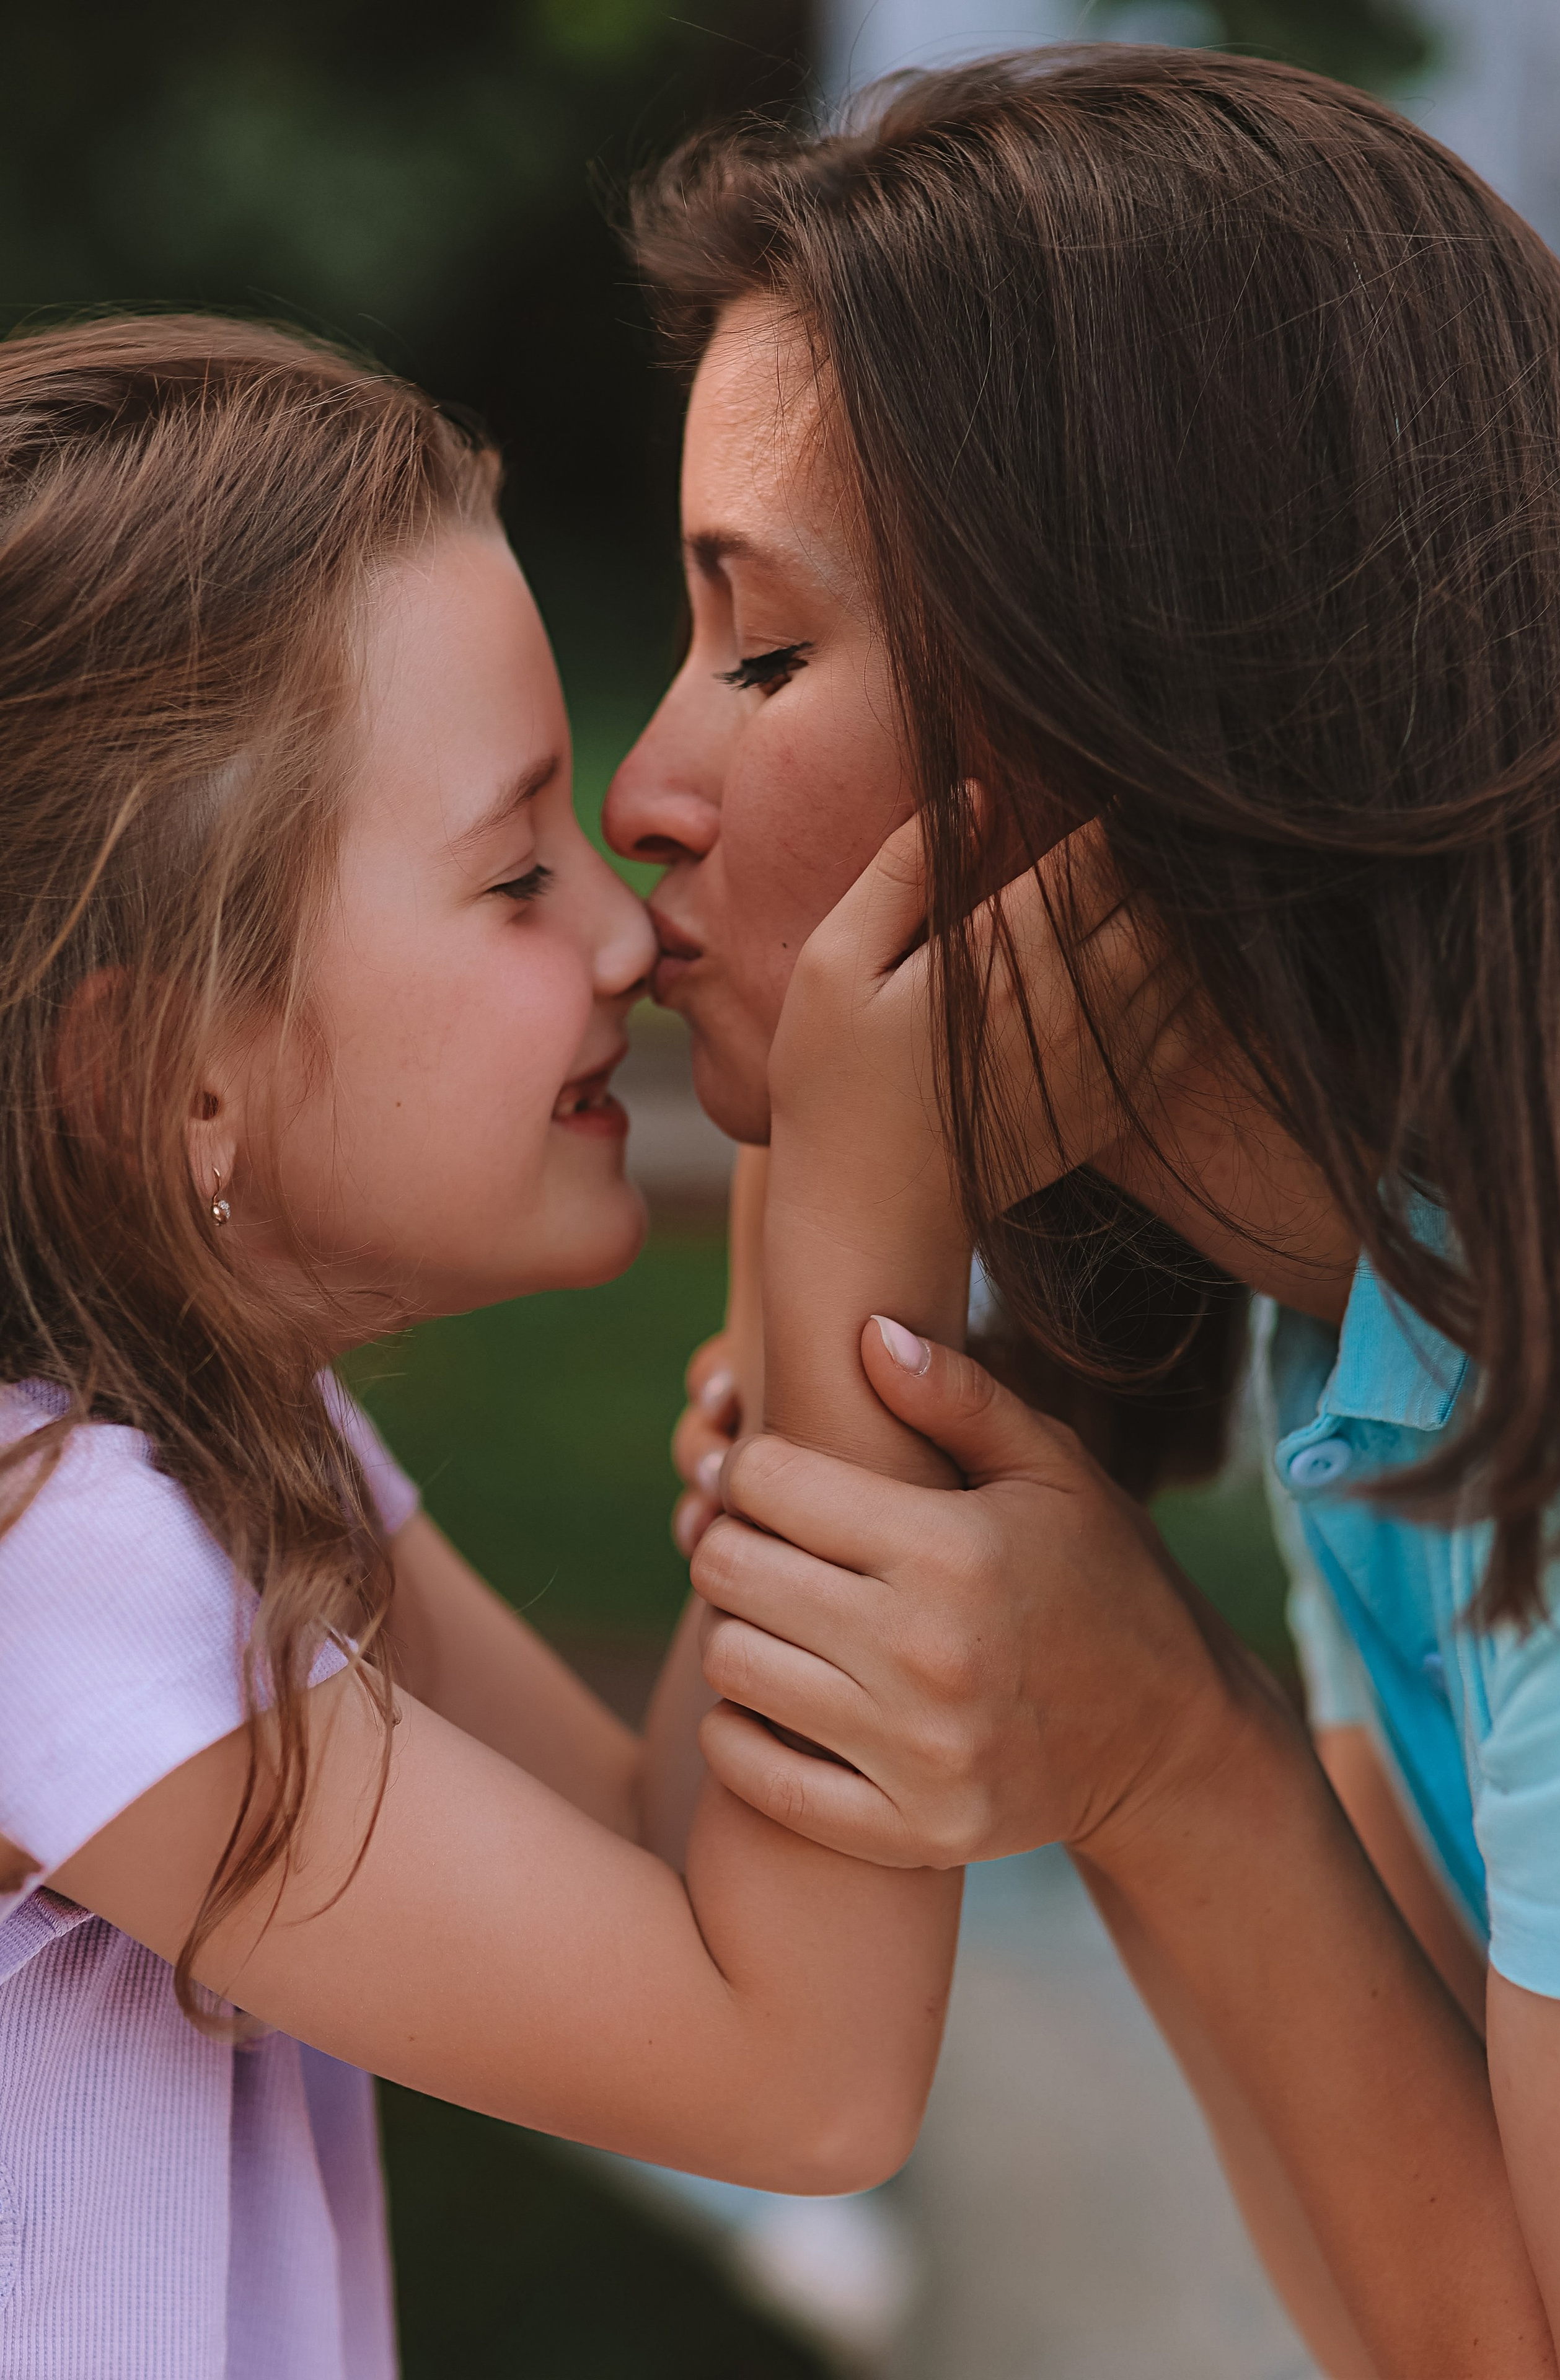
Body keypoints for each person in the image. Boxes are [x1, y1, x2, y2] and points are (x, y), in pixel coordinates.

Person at [604, 46, 1560, 2376]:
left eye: (761, 648)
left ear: (1131, 696)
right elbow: (1418, 2271)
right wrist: (838, 1197)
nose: (645, 786)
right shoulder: (1382, 1323)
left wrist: (1166, 1747)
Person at [0, 316, 963, 2376]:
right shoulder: (50, 1562)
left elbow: (656, 1861)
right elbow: (800, 2083)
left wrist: (793, 1150)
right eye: (516, 873)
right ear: (173, 1076)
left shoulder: (219, 1442)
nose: (616, 930)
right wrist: (878, 1202)